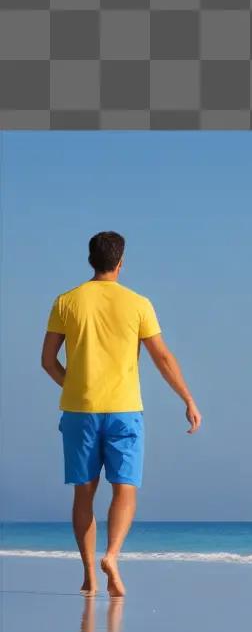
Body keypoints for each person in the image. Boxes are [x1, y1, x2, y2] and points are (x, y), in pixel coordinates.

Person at [40, 231, 201, 597]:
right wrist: (187, 399)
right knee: (125, 488)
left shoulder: (66, 301)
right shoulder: (138, 303)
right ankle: (112, 556)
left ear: (90, 260)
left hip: (80, 411)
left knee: (84, 493)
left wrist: (74, 387)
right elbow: (162, 358)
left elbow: (48, 361)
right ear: (121, 261)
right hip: (125, 410)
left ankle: (89, 575)